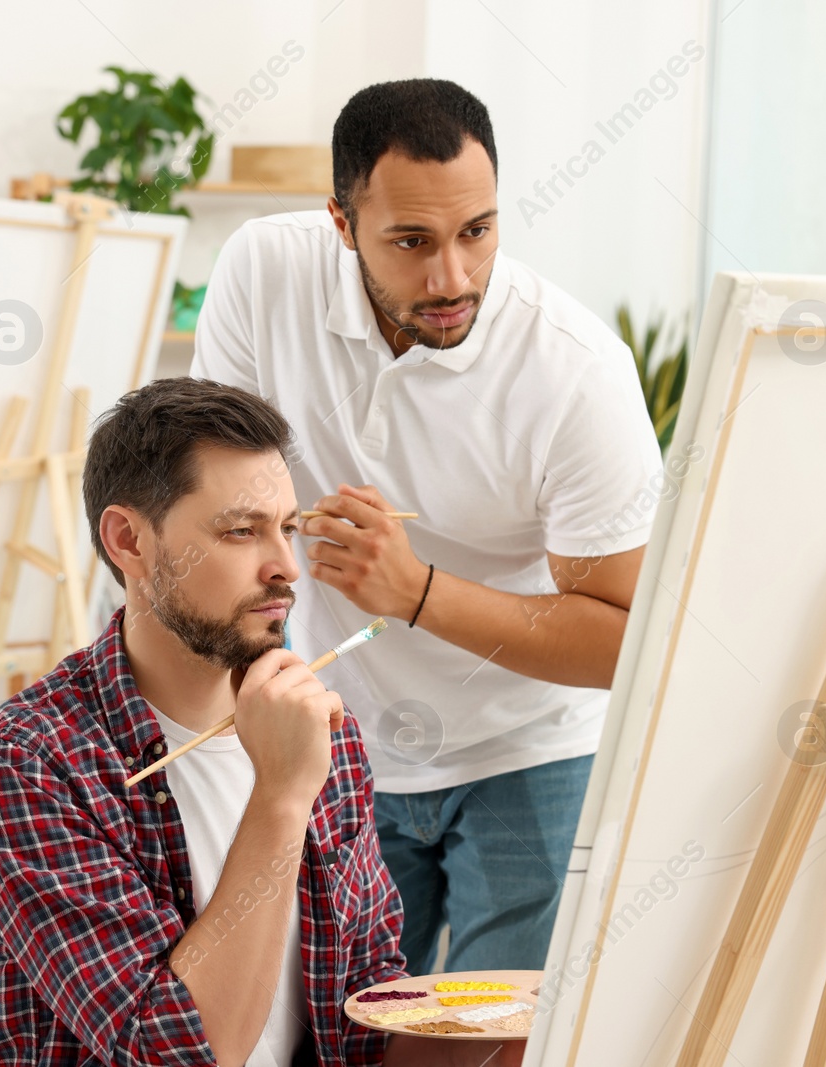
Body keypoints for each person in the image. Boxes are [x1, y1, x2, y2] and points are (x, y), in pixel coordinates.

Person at [191, 79, 664, 974]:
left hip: (532, 750)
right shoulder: (263, 270)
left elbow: (623, 639)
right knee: (343, 1032)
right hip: (344, 742)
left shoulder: (578, 372)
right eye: (411, 241)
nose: (453, 278)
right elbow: (219, 493)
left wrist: (417, 593)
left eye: (477, 232)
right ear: (341, 222)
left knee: (493, 1041)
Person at [0, 377, 524, 1066]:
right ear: (128, 540)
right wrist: (281, 796)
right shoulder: (27, 763)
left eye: (287, 527)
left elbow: (365, 1028)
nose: (287, 568)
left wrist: (502, 1036)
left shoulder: (322, 733)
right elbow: (178, 1052)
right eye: (241, 531)